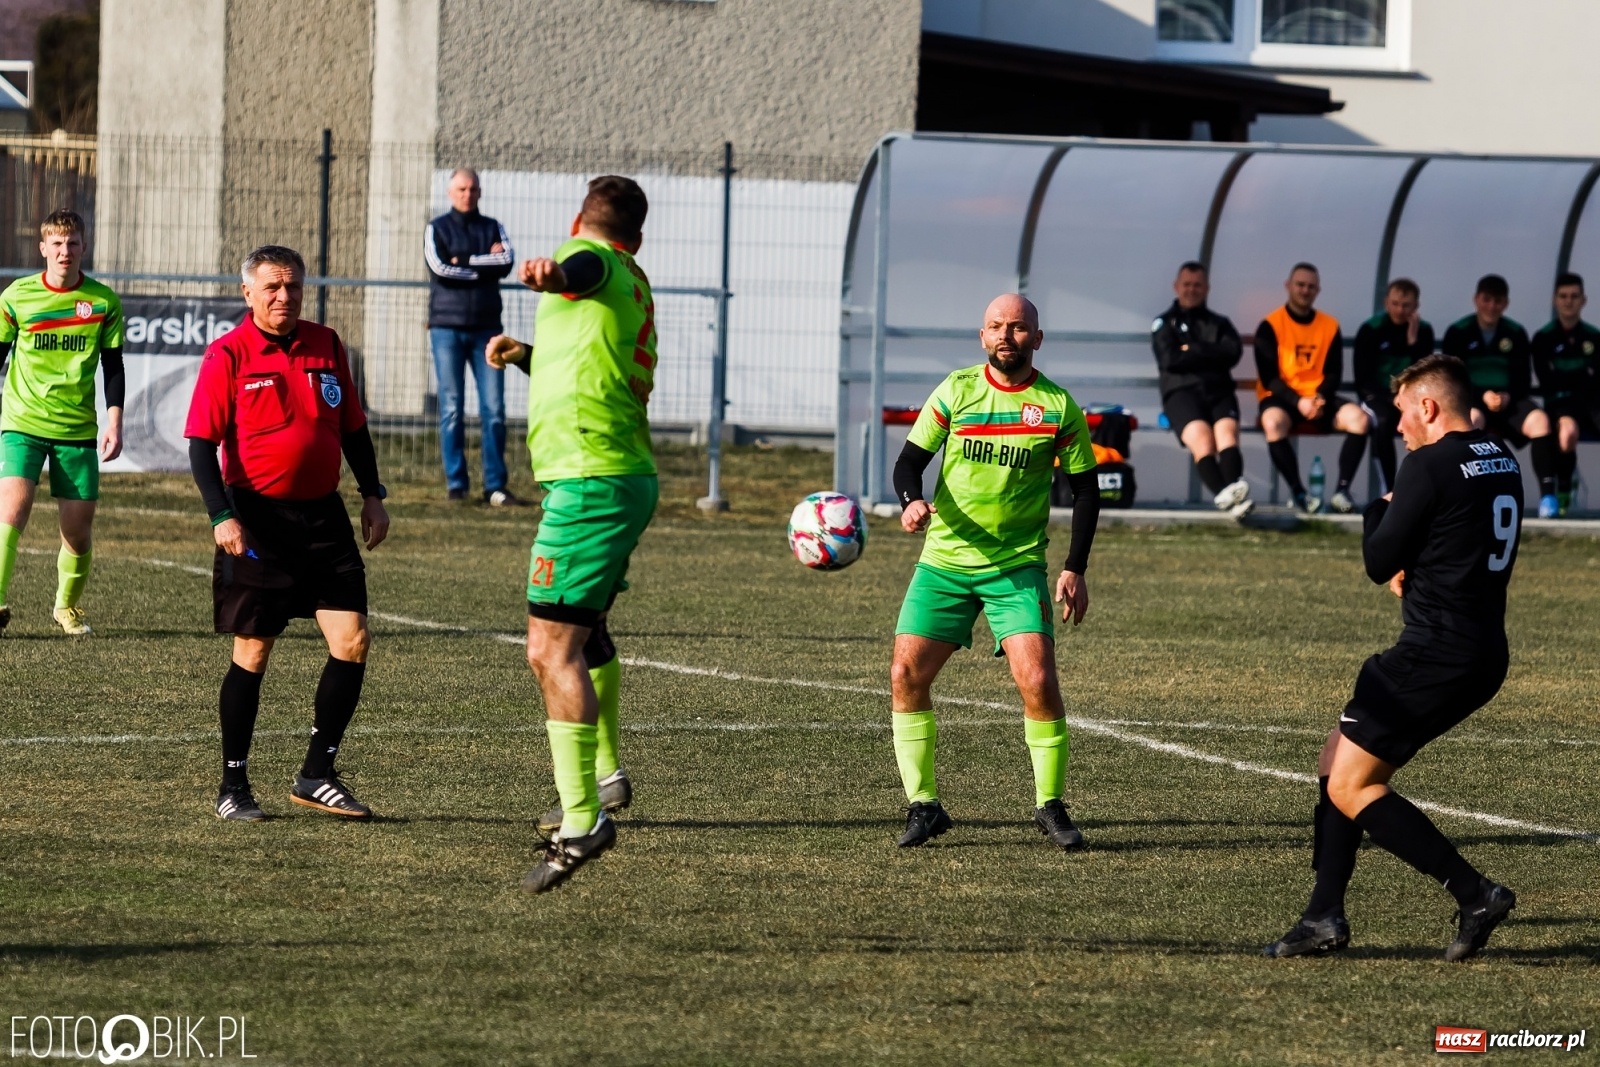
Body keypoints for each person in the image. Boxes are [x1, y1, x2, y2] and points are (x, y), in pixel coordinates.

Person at [1265, 355, 1521, 962]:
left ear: (1429, 407)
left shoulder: (1426, 465)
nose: (1399, 425)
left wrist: (1376, 508)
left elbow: (1379, 560)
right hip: (1482, 649)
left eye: (1403, 411)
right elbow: (1459, 531)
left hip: (1433, 655)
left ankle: (1474, 893)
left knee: (1352, 784)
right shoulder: (1501, 455)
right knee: (1336, 756)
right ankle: (1323, 913)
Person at [483, 175, 657, 894]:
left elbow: (578, 269)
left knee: (548, 649)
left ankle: (583, 817)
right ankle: (604, 776)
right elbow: (592, 364)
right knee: (586, 635)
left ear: (578, 221)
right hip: (611, 474)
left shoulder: (592, 262)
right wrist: (526, 353)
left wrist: (549, 271)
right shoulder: (631, 278)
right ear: (638, 235)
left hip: (591, 481)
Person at [185, 245, 391, 823]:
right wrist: (221, 516)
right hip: (256, 520)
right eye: (273, 287)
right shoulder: (227, 353)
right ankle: (233, 786)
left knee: (352, 640)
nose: (285, 296)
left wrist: (372, 494)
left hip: (324, 518)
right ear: (248, 292)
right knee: (254, 650)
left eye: (294, 286)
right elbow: (201, 445)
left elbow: (353, 429)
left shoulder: (327, 344)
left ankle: (317, 775)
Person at [888, 293, 1100, 852]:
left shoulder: (1057, 406)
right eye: (996, 326)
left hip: (1016, 566)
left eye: (1018, 327)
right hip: (945, 563)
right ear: (982, 336)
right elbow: (909, 462)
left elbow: (1085, 490)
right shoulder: (956, 390)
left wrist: (1075, 567)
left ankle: (1050, 805)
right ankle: (924, 805)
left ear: (1037, 338)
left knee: (1039, 682)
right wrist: (911, 501)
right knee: (906, 675)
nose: (1006, 335)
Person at [0, 208, 124, 637]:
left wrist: (114, 421)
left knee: (77, 531)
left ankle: (66, 607)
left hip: (76, 430)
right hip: (23, 422)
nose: (64, 251)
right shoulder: (17, 296)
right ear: (43, 248)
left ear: (83, 247)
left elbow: (113, 366)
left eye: (72, 243)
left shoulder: (103, 302)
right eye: (56, 243)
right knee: (12, 510)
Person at [426, 167, 519, 505]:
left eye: (473, 189)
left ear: (480, 192)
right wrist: (484, 266)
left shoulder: (494, 226)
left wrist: (463, 260)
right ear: (451, 192)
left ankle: (495, 485)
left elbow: (506, 261)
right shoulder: (436, 228)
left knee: (494, 409)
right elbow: (440, 269)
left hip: (487, 330)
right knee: (451, 408)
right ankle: (457, 485)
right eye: (462, 189)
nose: (468, 194)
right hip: (446, 328)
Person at [1255, 263, 1371, 513]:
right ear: (1288, 286)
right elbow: (1269, 378)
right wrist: (1298, 402)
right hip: (1283, 398)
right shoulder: (1270, 325)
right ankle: (1299, 492)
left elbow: (1334, 372)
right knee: (1272, 423)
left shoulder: (1329, 325)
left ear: (1318, 290)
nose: (1305, 291)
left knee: (1360, 419)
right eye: (1300, 285)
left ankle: (1341, 492)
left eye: (1311, 286)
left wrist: (1319, 398)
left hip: (1319, 398)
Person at [1441, 274, 1559, 517]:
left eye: (1497, 301)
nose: (1491, 306)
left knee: (1540, 421)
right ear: (1476, 300)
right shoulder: (1458, 331)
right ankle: (1465, 494)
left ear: (1506, 303)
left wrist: (1507, 396)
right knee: (1470, 422)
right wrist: (1481, 395)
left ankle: (1548, 497)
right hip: (1473, 400)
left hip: (1508, 402)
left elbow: (1523, 379)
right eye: (1487, 300)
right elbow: (1452, 378)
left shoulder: (1515, 332)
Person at [1151, 261, 1252, 518]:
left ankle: (1231, 499)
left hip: (1218, 391)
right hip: (1180, 392)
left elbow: (1232, 353)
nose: (1192, 290)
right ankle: (1229, 497)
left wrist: (1192, 349)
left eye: (1197, 285)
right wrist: (1211, 354)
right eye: (1187, 284)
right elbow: (1169, 360)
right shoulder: (1164, 323)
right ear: (1176, 286)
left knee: (1228, 434)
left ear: (1207, 288)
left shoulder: (1220, 323)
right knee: (1203, 439)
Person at [1354, 278, 1434, 493]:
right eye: (1395, 304)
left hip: (1410, 399)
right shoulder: (1371, 329)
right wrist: (1391, 398)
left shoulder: (1423, 330)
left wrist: (1412, 342)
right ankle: (1388, 488)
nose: (1400, 310)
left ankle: (1424, 488)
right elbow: (1363, 380)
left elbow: (1425, 374)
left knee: (1430, 420)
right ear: (1386, 302)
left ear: (1416, 306)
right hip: (1376, 398)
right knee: (1383, 421)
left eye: (1406, 305)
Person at [1530, 272, 1600, 514]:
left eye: (1574, 296)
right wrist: (1582, 374)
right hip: (1561, 403)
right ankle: (1563, 488)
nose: (1569, 301)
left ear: (1584, 300)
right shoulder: (1543, 337)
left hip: (1592, 403)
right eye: (1564, 296)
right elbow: (1547, 380)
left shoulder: (1594, 337)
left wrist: (1569, 376)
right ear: (1555, 300)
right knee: (1567, 432)